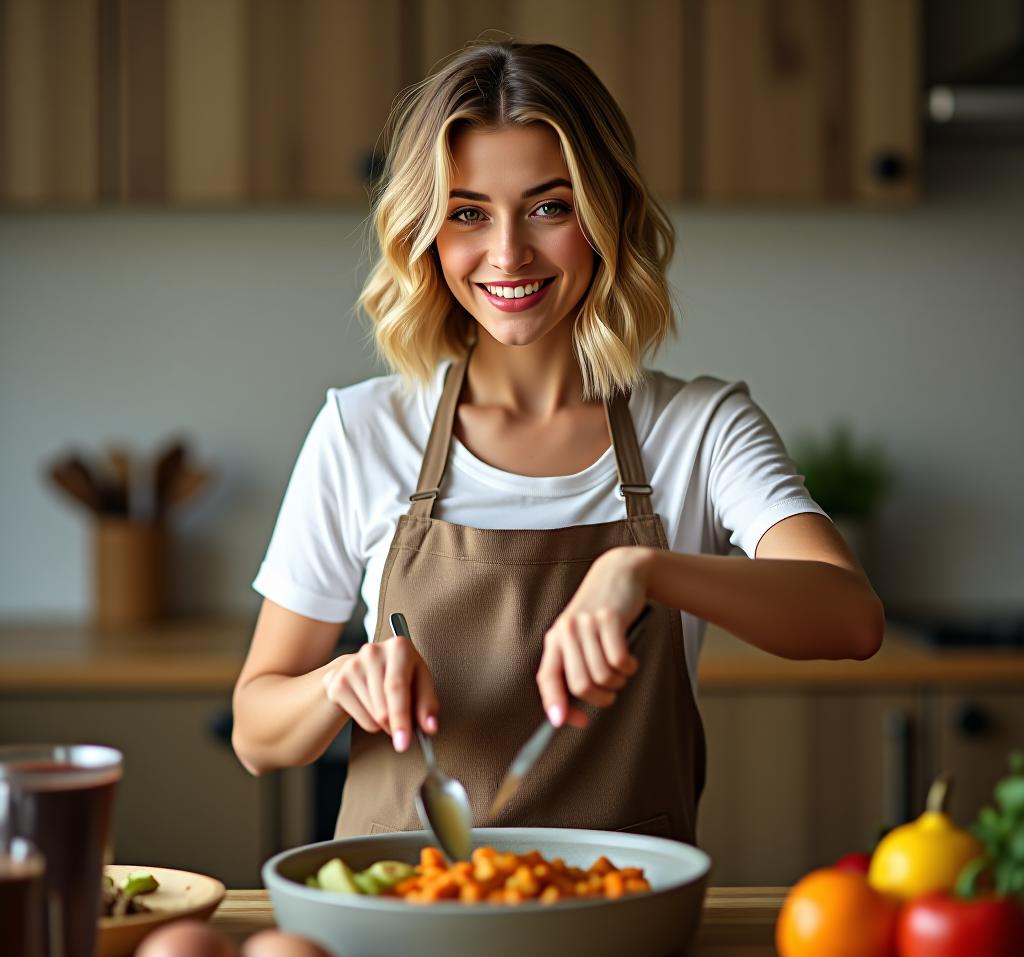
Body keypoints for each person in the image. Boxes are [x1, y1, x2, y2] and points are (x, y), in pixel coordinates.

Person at [231, 41, 884, 844]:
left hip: (623, 924)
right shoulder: (362, 432)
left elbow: (851, 618)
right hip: (403, 920)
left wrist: (644, 570)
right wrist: (339, 680)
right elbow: (257, 733)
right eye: (468, 212)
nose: (508, 253)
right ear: (427, 231)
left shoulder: (700, 430)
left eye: (550, 206)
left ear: (607, 215)